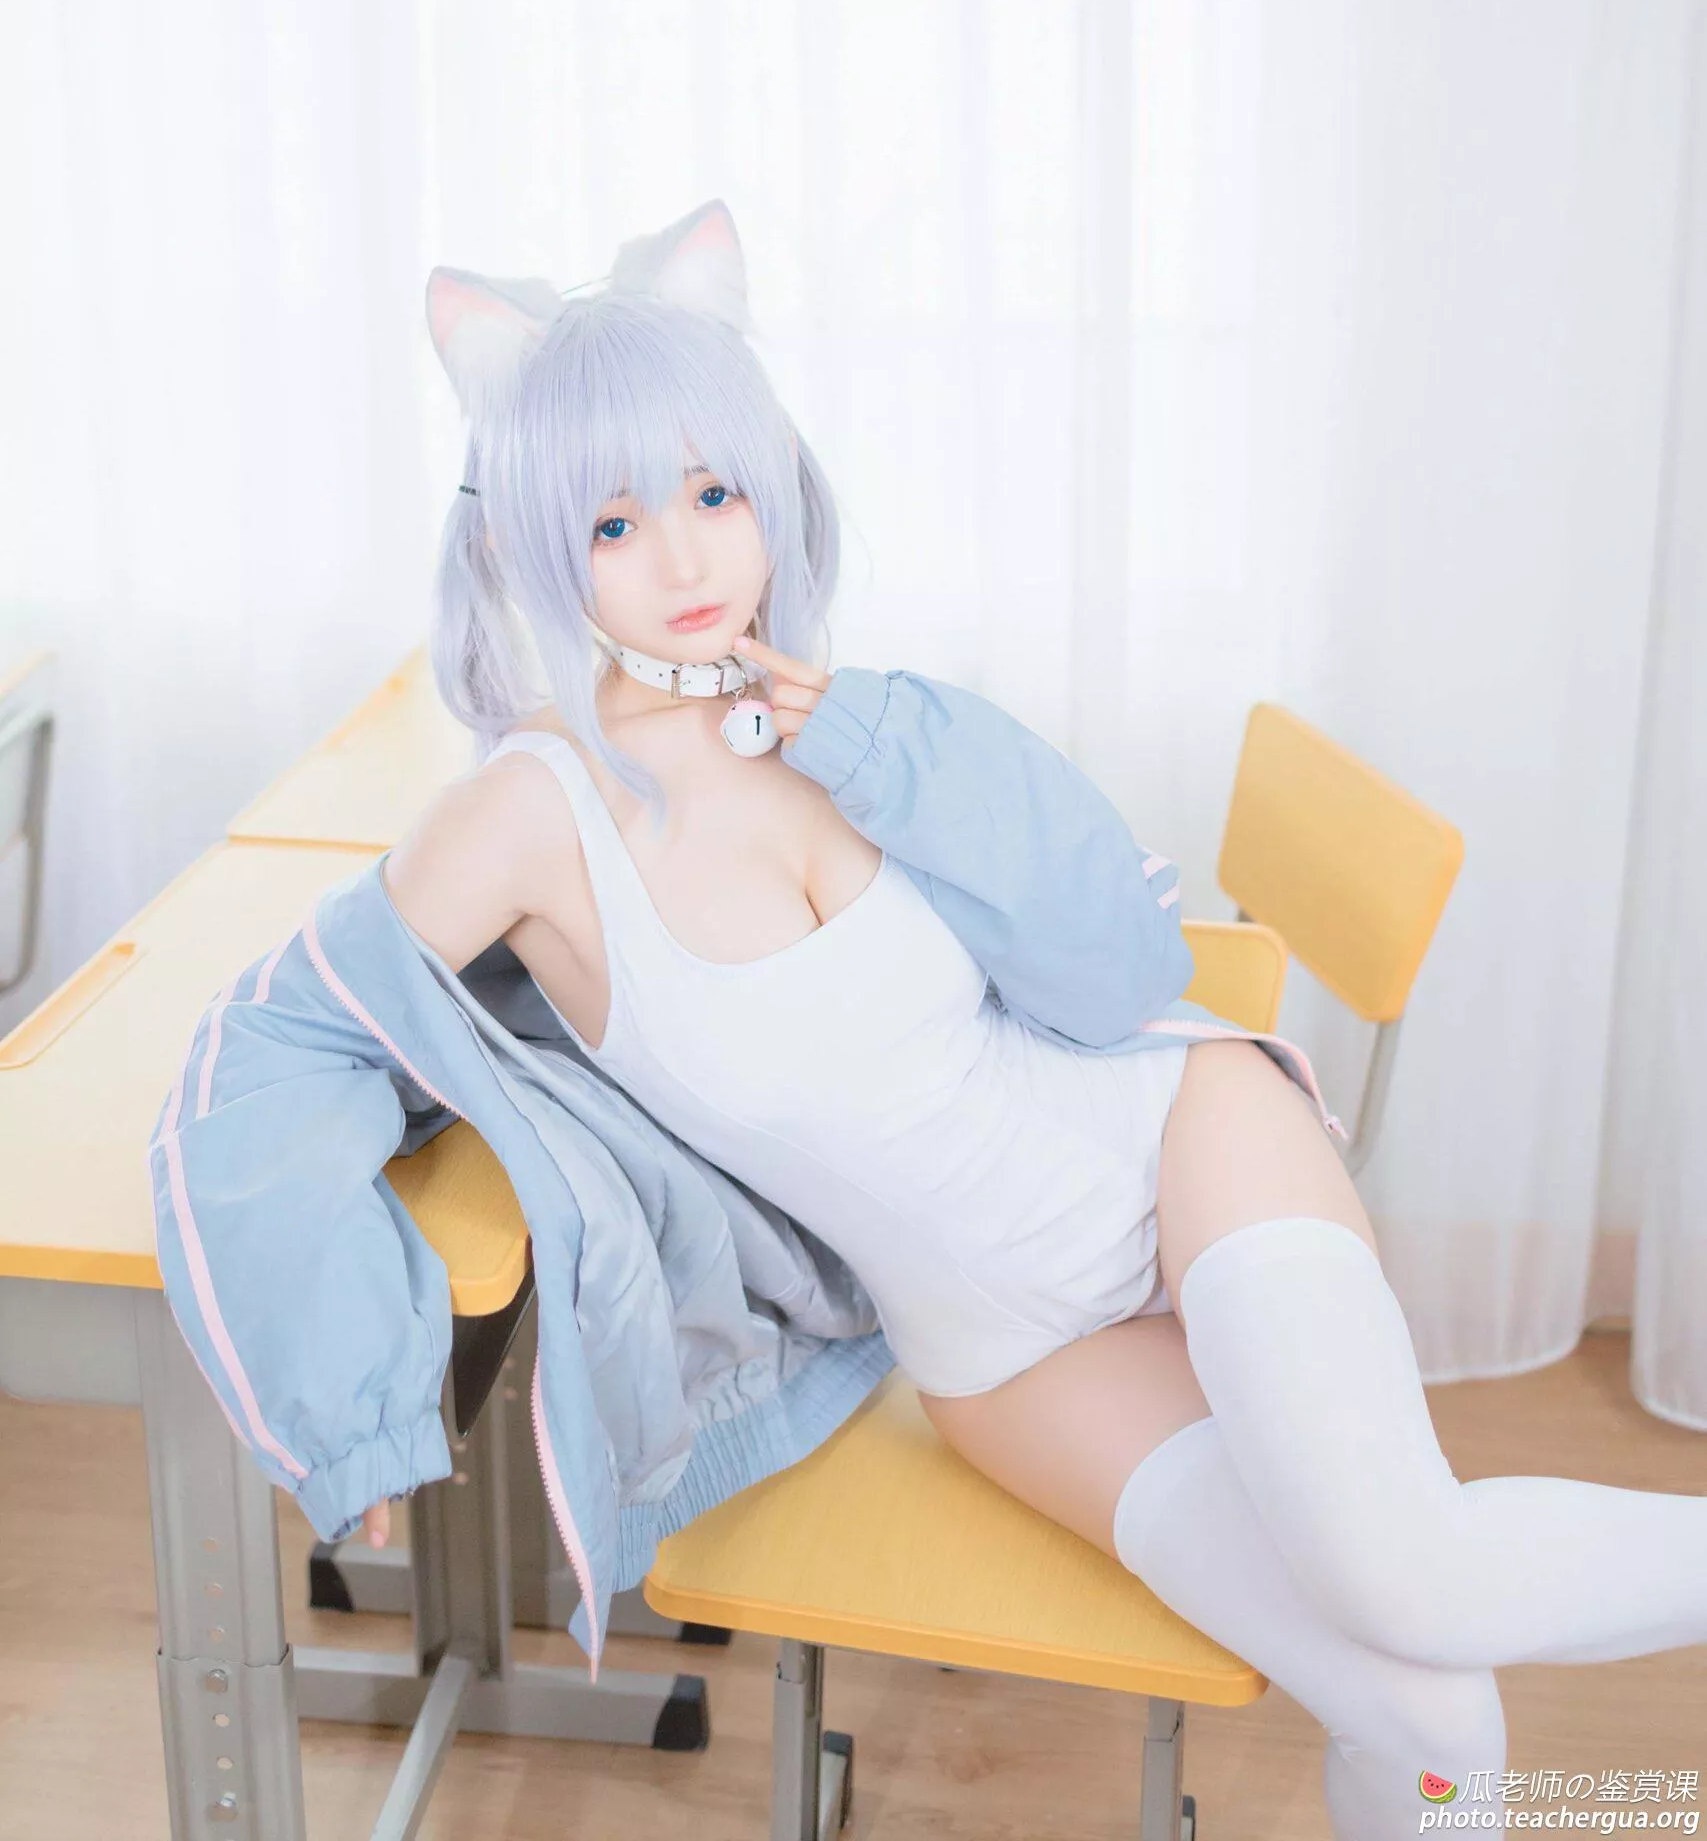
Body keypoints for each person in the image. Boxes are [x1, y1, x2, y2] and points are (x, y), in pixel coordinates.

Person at [374, 198, 1706, 1841]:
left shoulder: (843, 724)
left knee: (1417, 1582)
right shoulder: (530, 811)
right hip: (1005, 1356)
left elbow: (1102, 950)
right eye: (614, 518)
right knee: (1423, 1705)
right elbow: (326, 1026)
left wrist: (893, 750)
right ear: (526, 536)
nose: (690, 556)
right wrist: (358, 1359)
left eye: (716, 493)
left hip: (1174, 1148)